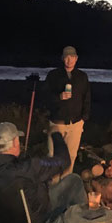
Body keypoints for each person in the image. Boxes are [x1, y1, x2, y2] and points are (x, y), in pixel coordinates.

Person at [0, 122, 88, 223]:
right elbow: (63, 160)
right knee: (74, 180)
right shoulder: (27, 168)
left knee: (40, 182)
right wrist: (56, 134)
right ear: (15, 143)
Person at [44, 45, 91, 179]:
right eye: (66, 57)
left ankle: (65, 186)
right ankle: (53, 187)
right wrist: (59, 97)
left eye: (72, 57)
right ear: (63, 59)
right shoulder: (53, 75)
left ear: (76, 59)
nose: (69, 60)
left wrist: (84, 118)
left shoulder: (82, 77)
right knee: (53, 156)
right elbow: (45, 97)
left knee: (71, 156)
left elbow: (87, 98)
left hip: (75, 124)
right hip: (57, 123)